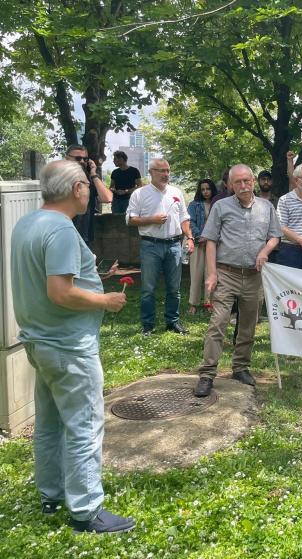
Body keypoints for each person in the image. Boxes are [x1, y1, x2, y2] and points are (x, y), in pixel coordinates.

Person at [11, 160, 133, 533]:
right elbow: (60, 292)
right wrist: (105, 301)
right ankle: (85, 510)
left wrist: (95, 277)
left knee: (49, 424)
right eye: (86, 185)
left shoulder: (27, 223)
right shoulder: (61, 230)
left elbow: (52, 279)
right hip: (68, 347)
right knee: (84, 425)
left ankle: (51, 493)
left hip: (39, 341)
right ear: (77, 188)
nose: (88, 192)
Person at [194, 165, 281, 397]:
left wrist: (265, 251)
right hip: (226, 274)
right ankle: (207, 373)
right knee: (218, 323)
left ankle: (240, 368)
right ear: (230, 185)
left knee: (248, 326)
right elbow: (210, 240)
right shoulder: (221, 206)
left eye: (247, 181)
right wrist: (212, 273)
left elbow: (275, 236)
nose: (243, 186)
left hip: (254, 277)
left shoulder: (267, 207)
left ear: (253, 181)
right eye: (238, 182)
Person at [126, 158, 192, 336]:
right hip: (150, 245)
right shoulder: (139, 194)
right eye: (161, 171)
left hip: (174, 245)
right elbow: (130, 219)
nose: (165, 174)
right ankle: (148, 325)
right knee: (148, 288)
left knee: (174, 288)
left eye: (168, 171)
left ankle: (173, 322)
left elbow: (184, 218)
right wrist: (151, 220)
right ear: (151, 172)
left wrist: (190, 237)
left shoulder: (176, 192)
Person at [65, 144, 113, 248]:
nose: (82, 161)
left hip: (86, 236)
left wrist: (93, 174)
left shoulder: (89, 178)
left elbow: (107, 198)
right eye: (78, 158)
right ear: (67, 158)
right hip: (66, 235)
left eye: (85, 159)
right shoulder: (59, 178)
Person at [187, 178, 218, 314]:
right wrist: (199, 236)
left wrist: (210, 237)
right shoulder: (194, 204)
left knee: (210, 273)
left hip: (213, 243)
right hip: (199, 243)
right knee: (196, 273)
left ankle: (209, 303)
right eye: (203, 189)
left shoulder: (218, 204)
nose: (205, 192)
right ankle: (193, 304)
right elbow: (190, 222)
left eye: (208, 189)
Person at [109, 150, 142, 214]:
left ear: (121, 159)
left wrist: (126, 191)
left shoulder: (134, 171)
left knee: (129, 221)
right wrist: (115, 191)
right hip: (116, 201)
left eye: (115, 159)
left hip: (130, 200)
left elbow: (140, 186)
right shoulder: (115, 172)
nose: (113, 161)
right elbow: (111, 187)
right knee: (116, 221)